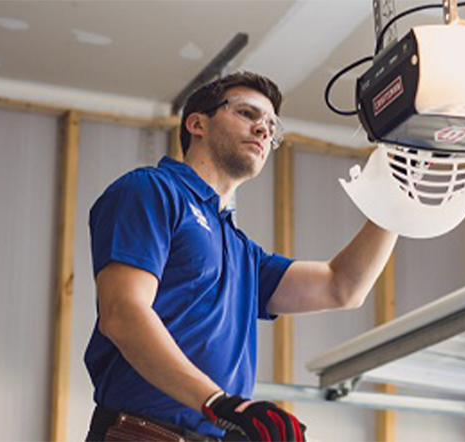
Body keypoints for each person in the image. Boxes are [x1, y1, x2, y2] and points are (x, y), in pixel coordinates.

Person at [84, 71, 397, 442]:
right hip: (143, 434)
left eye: (271, 125)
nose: (264, 130)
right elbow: (122, 314)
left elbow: (343, 286)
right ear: (197, 123)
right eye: (248, 114)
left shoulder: (242, 251)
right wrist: (219, 403)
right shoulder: (152, 191)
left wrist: (396, 198)